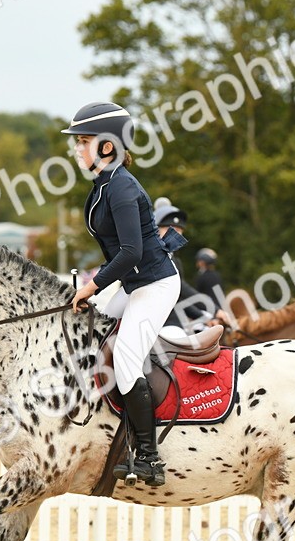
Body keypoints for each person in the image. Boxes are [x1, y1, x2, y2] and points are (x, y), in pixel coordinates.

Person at [67, 101, 184, 487]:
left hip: (155, 284)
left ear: (106, 146)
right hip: (133, 282)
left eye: (83, 141)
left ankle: (149, 456)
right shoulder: (104, 183)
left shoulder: (120, 188)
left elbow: (131, 252)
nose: (76, 149)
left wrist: (94, 285)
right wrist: (94, 293)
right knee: (85, 323)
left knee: (127, 362)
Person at [151, 198, 228, 333]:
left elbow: (178, 298)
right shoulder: (153, 257)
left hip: (174, 319)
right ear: (156, 229)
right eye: (171, 229)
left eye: (180, 230)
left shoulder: (175, 260)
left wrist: (203, 316)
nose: (177, 234)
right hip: (158, 322)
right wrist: (213, 310)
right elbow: (181, 289)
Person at [194, 248, 226, 314]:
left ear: (202, 262)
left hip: (207, 311)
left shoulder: (202, 277)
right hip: (220, 309)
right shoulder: (217, 275)